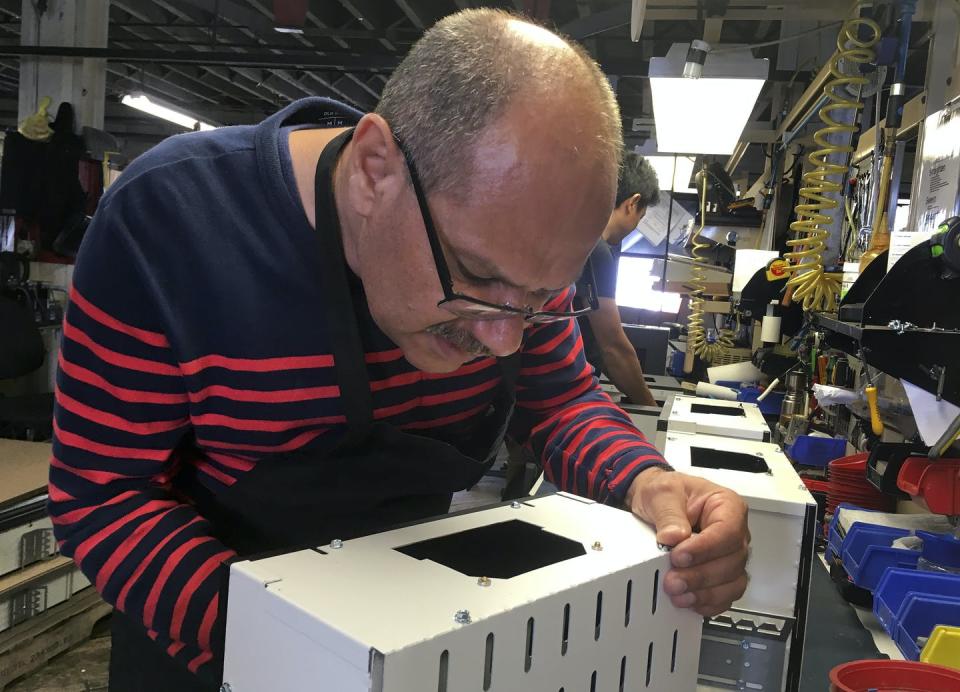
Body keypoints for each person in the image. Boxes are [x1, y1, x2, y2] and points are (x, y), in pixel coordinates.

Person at [48, 10, 749, 691]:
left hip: (412, 629)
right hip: (210, 641)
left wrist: (646, 481)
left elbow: (560, 399)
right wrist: (283, 646)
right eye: (477, 277)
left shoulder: (512, 268)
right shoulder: (170, 221)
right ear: (375, 168)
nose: (505, 336)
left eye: (542, 299)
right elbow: (104, 496)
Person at [576, 152, 661, 406]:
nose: (636, 225)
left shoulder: (575, 237)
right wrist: (650, 408)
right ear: (632, 203)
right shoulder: (597, 251)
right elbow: (612, 346)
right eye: (640, 217)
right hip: (556, 397)